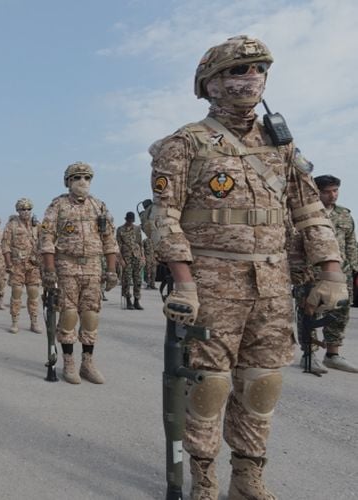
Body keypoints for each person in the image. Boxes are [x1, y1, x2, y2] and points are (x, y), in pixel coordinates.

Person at [149, 36, 347, 499]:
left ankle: (247, 474)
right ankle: (204, 475)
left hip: (272, 285)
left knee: (263, 382)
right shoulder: (184, 143)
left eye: (259, 69)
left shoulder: (281, 143)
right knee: (209, 384)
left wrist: (331, 269)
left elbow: (308, 209)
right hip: (212, 285)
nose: (252, 78)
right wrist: (183, 282)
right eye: (239, 70)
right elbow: (164, 217)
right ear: (210, 83)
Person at [39, 162, 119, 384]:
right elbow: (46, 238)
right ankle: (68, 362)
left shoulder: (99, 206)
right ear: (68, 182)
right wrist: (49, 270)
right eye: (77, 178)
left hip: (93, 266)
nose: (82, 182)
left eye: (86, 177)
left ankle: (87, 363)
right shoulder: (58, 206)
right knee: (69, 313)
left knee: (91, 314)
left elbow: (109, 240)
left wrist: (111, 270)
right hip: (67, 266)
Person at [307, 175, 357, 373]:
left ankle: (332, 355)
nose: (332, 195)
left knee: (340, 312)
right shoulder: (308, 213)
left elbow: (351, 243)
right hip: (314, 273)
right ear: (317, 192)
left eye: (335, 191)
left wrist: (354, 269)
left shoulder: (344, 215)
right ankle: (309, 355)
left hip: (342, 274)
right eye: (327, 192)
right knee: (310, 313)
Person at [2, 199, 41, 332]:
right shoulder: (11, 225)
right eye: (23, 209)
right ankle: (14, 322)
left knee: (33, 294)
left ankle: (34, 322)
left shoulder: (37, 225)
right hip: (17, 265)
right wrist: (8, 264)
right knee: (16, 294)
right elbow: (5, 246)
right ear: (18, 210)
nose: (26, 211)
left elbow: (44, 242)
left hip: (33, 265)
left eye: (28, 209)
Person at [116, 211, 145, 310]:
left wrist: (142, 257)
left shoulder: (137, 229)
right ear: (126, 219)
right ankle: (128, 300)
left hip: (137, 257)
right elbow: (118, 246)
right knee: (127, 280)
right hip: (126, 258)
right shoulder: (120, 229)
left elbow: (140, 244)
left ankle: (136, 301)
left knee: (138, 280)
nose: (130, 222)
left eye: (132, 221)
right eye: (129, 220)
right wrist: (121, 260)